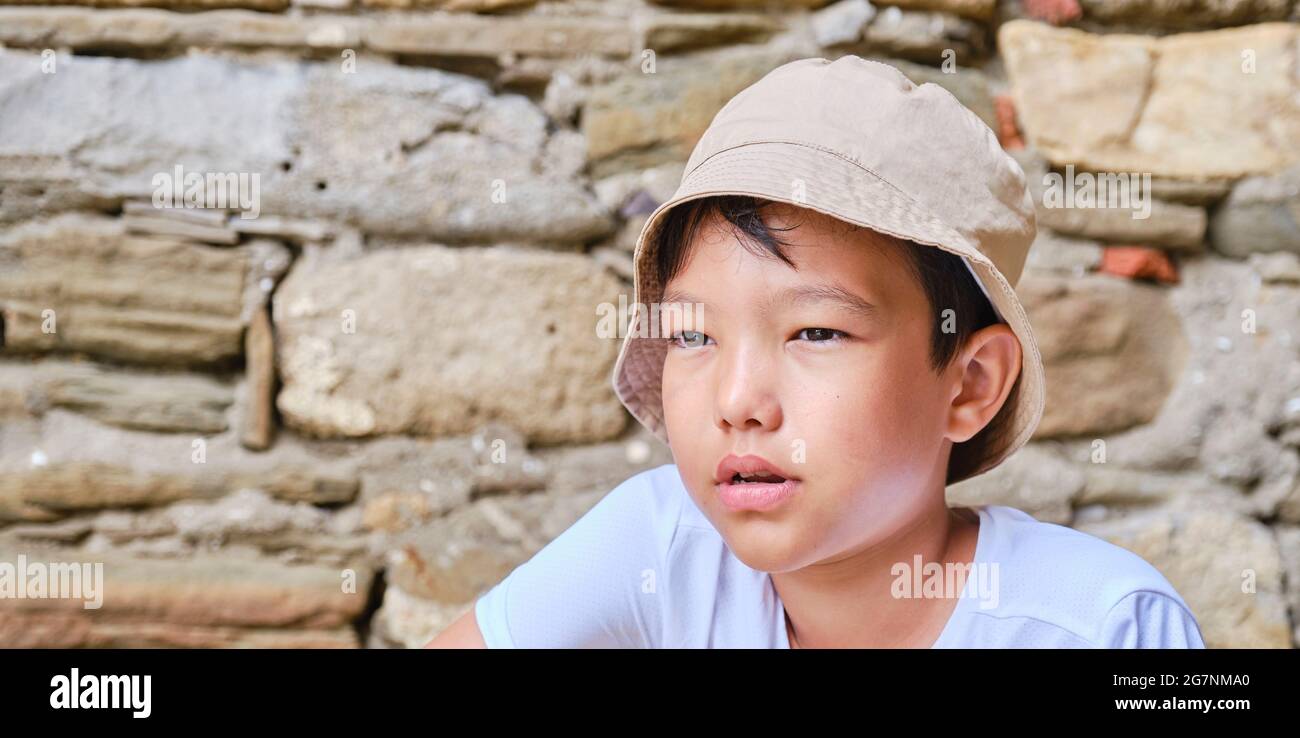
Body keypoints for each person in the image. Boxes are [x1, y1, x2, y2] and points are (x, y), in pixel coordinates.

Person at [427, 56, 1205, 649]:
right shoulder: (661, 549)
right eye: (694, 335)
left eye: (816, 333)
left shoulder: (1104, 624)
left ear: (969, 385)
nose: (738, 402)